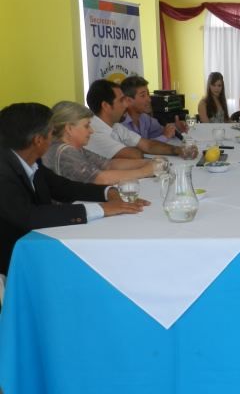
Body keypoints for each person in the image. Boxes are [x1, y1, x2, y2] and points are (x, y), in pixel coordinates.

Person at [0, 103, 148, 276]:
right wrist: (101, 209)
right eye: (51, 133)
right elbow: (30, 216)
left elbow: (62, 187)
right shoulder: (3, 172)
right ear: (38, 140)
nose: (53, 138)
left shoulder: (29, 160)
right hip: (13, 262)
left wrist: (109, 193)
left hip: (34, 247)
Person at [42, 101, 156, 184]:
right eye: (86, 126)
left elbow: (109, 164)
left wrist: (150, 162)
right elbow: (101, 179)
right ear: (69, 129)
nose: (91, 131)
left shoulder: (73, 148)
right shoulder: (63, 151)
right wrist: (145, 171)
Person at [85, 79, 187, 160]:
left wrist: (178, 150)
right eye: (121, 101)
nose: (126, 105)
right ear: (106, 106)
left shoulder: (116, 126)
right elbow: (133, 155)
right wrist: (137, 148)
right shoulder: (93, 132)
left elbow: (148, 145)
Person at [120, 76, 186, 141]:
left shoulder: (145, 118)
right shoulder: (120, 124)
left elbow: (162, 131)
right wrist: (164, 137)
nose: (149, 100)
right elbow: (138, 146)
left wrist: (177, 128)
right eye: (143, 96)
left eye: (148, 94)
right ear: (128, 101)